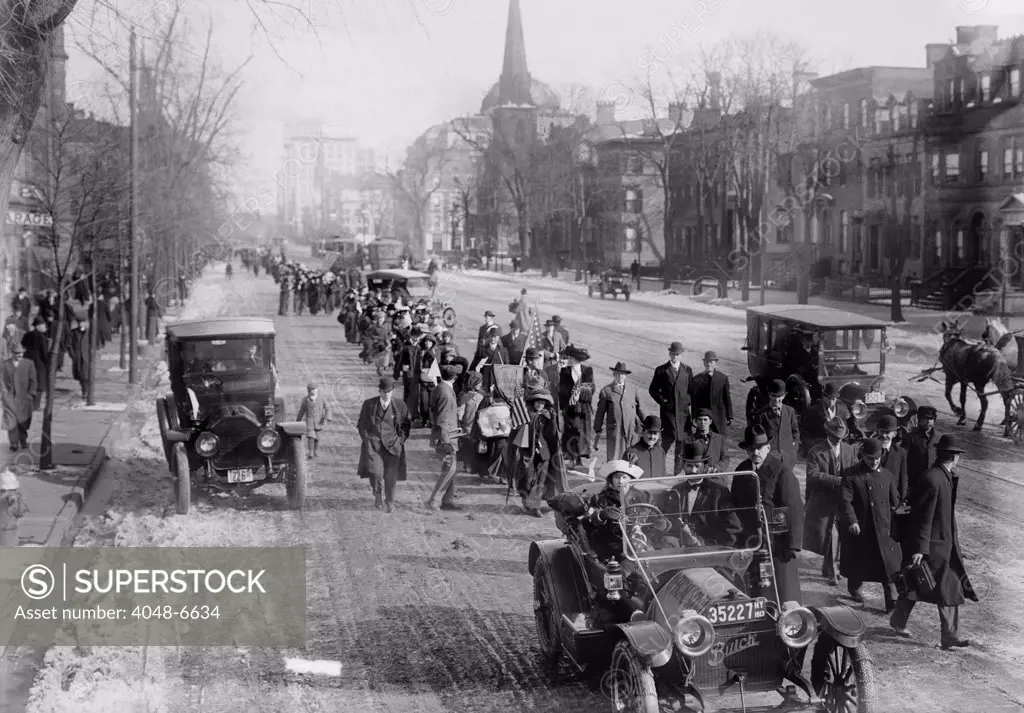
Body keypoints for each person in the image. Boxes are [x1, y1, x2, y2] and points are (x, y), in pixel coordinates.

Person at [889, 434, 976, 649]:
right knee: (921, 584)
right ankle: (947, 636)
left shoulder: (942, 476)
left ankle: (944, 634)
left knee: (938, 587)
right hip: (931, 546)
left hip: (941, 544)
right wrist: (919, 549)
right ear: (955, 456)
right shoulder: (933, 479)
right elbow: (922, 517)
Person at [733, 425, 804, 603]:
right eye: (751, 449)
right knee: (755, 589)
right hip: (751, 542)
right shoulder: (741, 471)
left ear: (768, 448)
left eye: (759, 448)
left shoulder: (781, 472)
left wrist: (791, 544)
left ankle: (789, 623)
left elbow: (792, 508)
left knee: (782, 590)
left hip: (777, 544)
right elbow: (735, 505)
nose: (755, 452)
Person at [840, 438, 903, 612]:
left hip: (884, 529)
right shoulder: (851, 475)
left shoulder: (887, 475)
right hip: (862, 528)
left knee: (888, 568)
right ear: (862, 456)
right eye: (870, 458)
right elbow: (846, 501)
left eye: (877, 458)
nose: (874, 462)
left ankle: (892, 602)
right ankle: (855, 587)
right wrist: (852, 521)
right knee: (859, 562)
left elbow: (895, 501)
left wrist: (900, 514)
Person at [803, 417, 858, 587]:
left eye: (841, 438)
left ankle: (828, 567)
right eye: (835, 437)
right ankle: (833, 571)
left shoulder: (850, 450)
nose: (838, 440)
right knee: (830, 534)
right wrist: (836, 480)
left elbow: (855, 471)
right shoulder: (815, 451)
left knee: (840, 535)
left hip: (844, 500)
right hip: (824, 501)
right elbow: (812, 475)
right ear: (828, 434)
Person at [672, 442, 743, 547]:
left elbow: (733, 527)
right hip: (681, 546)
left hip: (709, 547)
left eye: (697, 466)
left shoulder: (719, 492)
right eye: (689, 466)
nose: (693, 471)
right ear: (683, 466)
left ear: (705, 466)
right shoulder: (676, 490)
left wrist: (718, 549)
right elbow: (669, 520)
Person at [507, 387, 564, 517]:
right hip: (527, 452)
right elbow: (516, 433)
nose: (540, 405)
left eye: (543, 403)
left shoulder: (548, 416)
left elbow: (554, 435)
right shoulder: (526, 416)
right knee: (527, 478)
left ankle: (535, 506)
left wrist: (552, 420)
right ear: (533, 403)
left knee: (541, 480)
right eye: (538, 402)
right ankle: (526, 501)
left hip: (544, 452)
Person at [357, 376, 411, 512]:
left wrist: (400, 440)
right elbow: (361, 424)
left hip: (393, 446)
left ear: (393, 391)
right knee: (375, 473)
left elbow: (406, 425)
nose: (386, 394)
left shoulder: (399, 405)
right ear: (379, 391)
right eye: (383, 392)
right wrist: (367, 439)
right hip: (374, 446)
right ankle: (377, 494)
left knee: (391, 476)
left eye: (389, 392)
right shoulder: (369, 405)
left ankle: (390, 501)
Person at [648, 341, 693, 473]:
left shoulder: (687, 370)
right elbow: (653, 390)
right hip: (668, 415)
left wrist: (687, 402)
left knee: (681, 445)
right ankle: (657, 470)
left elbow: (691, 390)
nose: (675, 357)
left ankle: (676, 473)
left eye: (677, 354)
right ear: (669, 354)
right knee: (665, 444)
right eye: (673, 354)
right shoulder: (661, 370)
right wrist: (664, 402)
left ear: (681, 355)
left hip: (684, 415)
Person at [425, 365, 462, 512]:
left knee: (451, 468)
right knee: (449, 468)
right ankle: (434, 500)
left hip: (446, 434)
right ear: (454, 377)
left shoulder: (440, 387)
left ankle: (447, 500)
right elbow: (442, 419)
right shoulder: (446, 392)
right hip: (446, 436)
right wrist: (446, 441)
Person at [593, 361, 644, 462]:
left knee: (632, 457)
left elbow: (640, 409)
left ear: (626, 376)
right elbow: (600, 413)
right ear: (614, 374)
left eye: (623, 374)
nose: (621, 376)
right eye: (619, 373)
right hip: (616, 431)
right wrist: (597, 429)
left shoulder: (632, 389)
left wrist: (647, 423)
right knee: (615, 458)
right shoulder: (607, 391)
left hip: (631, 430)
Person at [558, 345, 595, 469]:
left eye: (572, 358)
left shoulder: (587, 370)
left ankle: (579, 458)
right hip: (570, 407)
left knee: (582, 432)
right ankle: (572, 457)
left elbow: (591, 388)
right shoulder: (565, 371)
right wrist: (571, 394)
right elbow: (562, 390)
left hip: (583, 408)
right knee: (571, 431)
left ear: (577, 359)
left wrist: (579, 391)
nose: (570, 359)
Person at [752, 379, 801, 471]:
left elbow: (795, 431)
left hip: (788, 458)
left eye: (779, 396)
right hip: (769, 459)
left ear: (785, 395)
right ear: (769, 395)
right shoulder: (761, 415)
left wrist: (794, 447)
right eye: (774, 396)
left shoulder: (790, 411)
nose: (776, 399)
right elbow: (757, 439)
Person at [800, 382, 858, 451]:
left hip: (839, 447)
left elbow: (847, 430)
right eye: (828, 398)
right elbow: (804, 431)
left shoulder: (843, 410)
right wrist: (812, 445)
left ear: (837, 398)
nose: (830, 402)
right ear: (823, 397)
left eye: (833, 399)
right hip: (820, 448)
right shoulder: (813, 411)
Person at [1, 343, 37, 451]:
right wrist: (4, 392)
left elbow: (33, 380)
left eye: (21, 353)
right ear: (12, 353)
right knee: (11, 420)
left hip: (24, 397)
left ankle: (23, 439)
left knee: (23, 420)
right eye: (16, 353)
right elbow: (1, 379)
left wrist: (31, 394)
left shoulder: (28, 363)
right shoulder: (4, 364)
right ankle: (13, 443)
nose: (19, 355)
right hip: (10, 396)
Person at [689, 351, 732, 436]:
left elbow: (727, 398)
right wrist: (694, 417)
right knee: (702, 441)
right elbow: (694, 402)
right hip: (704, 419)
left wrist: (730, 416)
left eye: (711, 362)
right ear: (704, 363)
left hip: (720, 417)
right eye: (707, 361)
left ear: (715, 363)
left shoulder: (722, 378)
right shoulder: (697, 380)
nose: (709, 364)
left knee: (720, 441)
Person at [903, 405, 940, 496]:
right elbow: (904, 462)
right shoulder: (911, 437)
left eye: (931, 419)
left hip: (934, 481)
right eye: (926, 418)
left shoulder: (939, 438)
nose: (928, 421)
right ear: (919, 419)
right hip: (916, 481)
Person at [682, 408, 730, 475]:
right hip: (696, 477)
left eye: (705, 419)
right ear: (696, 422)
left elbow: (725, 458)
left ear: (710, 421)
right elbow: (683, 461)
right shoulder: (688, 441)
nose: (702, 423)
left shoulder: (720, 439)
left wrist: (716, 468)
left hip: (715, 477)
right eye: (700, 420)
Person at [876, 414, 909, 504]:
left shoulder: (900, 452)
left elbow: (903, 477)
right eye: (882, 431)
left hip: (893, 499)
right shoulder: (871, 449)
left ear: (894, 434)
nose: (884, 435)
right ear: (878, 431)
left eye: (887, 432)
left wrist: (903, 497)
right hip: (874, 498)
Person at [622, 415, 667, 479]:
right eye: (650, 432)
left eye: (655, 434)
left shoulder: (661, 451)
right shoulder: (631, 452)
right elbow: (625, 478)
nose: (652, 437)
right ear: (642, 433)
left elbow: (663, 476)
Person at [296, 382, 331, 459]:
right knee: (311, 436)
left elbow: (328, 408)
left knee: (317, 437)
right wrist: (298, 420)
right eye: (312, 390)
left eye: (315, 389)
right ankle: (311, 451)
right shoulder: (306, 400)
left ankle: (316, 450)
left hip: (319, 421)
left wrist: (328, 417)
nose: (314, 391)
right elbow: (302, 411)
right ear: (308, 391)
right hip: (309, 421)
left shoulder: (322, 398)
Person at [21, 318, 48, 410]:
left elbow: (22, 345)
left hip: (27, 361)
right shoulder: (41, 337)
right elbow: (44, 352)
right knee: (39, 385)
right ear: (38, 326)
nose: (45, 327)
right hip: (39, 363)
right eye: (44, 325)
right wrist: (47, 363)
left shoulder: (27, 335)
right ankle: (36, 406)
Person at [0, 469, 28, 546]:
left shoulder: (10, 496)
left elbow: (12, 498)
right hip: (11, 530)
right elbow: (21, 512)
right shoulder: (14, 496)